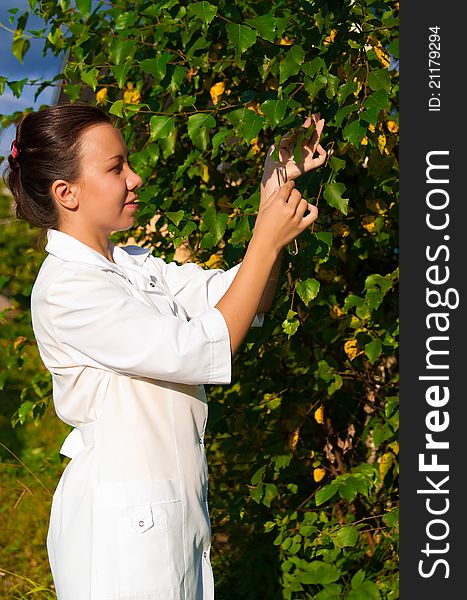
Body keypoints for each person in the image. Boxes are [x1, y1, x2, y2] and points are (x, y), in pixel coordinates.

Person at [4, 102, 326, 600]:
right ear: (66, 193)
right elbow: (198, 348)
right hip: (122, 535)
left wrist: (274, 190)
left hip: (167, 515)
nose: (135, 178)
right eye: (115, 168)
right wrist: (264, 240)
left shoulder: (132, 265)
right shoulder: (67, 288)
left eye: (128, 162)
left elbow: (243, 296)